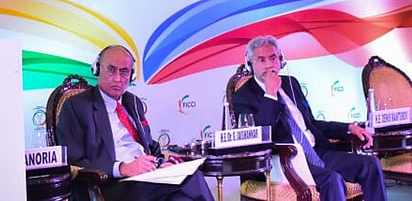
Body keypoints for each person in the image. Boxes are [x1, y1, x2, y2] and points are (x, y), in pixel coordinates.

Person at [232, 35, 387, 201]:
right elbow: (261, 135)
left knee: (370, 164)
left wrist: (348, 127)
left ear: (281, 59)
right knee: (332, 179)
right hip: (286, 162)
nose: (269, 64)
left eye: (273, 58)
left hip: (317, 151)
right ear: (250, 63)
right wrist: (270, 94)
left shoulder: (291, 83)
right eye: (261, 60)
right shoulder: (243, 96)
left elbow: (312, 124)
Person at [56, 45, 215, 201]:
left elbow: (149, 145)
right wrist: (122, 168)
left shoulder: (132, 102)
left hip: (149, 177)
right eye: (111, 69)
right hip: (111, 184)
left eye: (124, 72)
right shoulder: (76, 106)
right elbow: (73, 160)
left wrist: (161, 163)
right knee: (191, 180)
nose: (118, 78)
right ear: (97, 69)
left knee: (184, 192)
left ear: (131, 76)